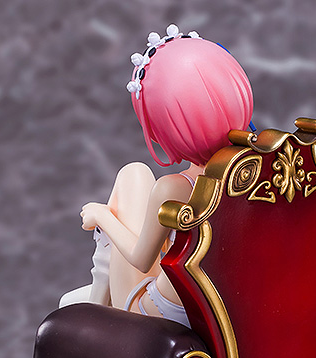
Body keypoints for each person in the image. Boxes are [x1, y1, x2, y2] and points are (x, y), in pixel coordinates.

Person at [59, 25, 254, 327]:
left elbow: (141, 260)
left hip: (158, 313)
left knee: (130, 176)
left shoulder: (176, 188)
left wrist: (101, 216)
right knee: (136, 173)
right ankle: (99, 295)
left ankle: (98, 302)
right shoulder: (256, 168)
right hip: (218, 299)